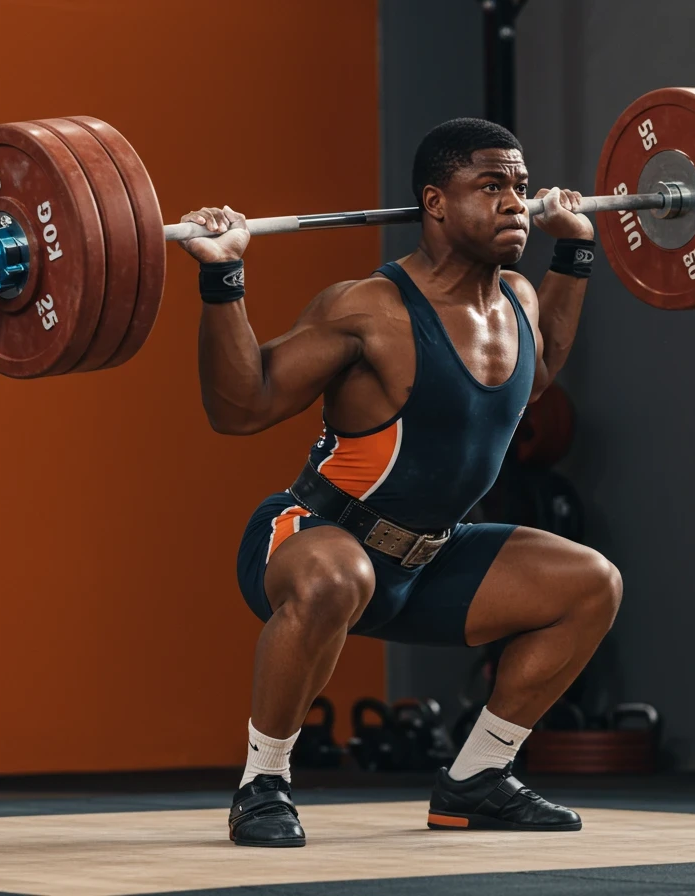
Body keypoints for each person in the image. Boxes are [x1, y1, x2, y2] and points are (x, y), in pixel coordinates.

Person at [179, 118, 623, 848]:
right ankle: (263, 783)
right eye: (490, 186)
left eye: (519, 185)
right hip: (312, 541)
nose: (515, 203)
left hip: (427, 562)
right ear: (435, 202)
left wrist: (574, 251)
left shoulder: (518, 297)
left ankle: (478, 779)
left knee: (590, 584)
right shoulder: (368, 311)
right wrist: (222, 274)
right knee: (336, 576)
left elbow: (534, 378)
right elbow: (240, 406)